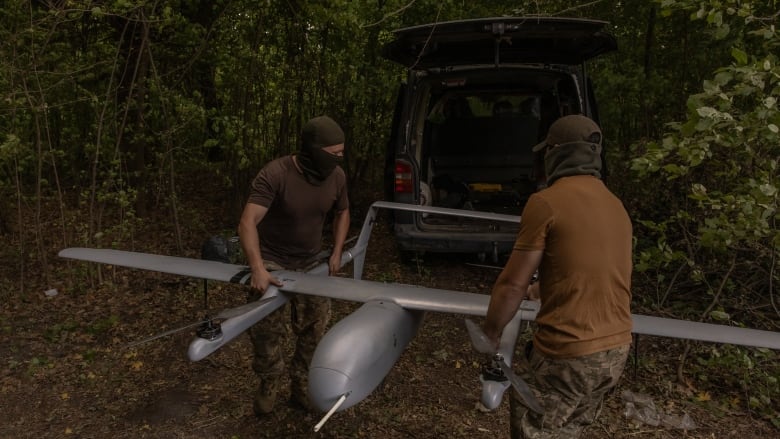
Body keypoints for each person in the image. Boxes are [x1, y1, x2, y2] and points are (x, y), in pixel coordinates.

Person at [482, 114, 633, 438]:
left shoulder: (546, 202)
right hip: (615, 352)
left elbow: (510, 286)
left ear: (555, 153)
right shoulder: (615, 205)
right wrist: (543, 289)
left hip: (569, 354)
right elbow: (596, 273)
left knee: (535, 431)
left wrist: (490, 335)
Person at [237, 115, 350, 416]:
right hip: (273, 260)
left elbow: (343, 212)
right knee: (266, 330)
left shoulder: (336, 176)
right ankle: (268, 382)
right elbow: (248, 222)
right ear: (314, 149)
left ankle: (301, 386)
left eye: (342, 152)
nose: (340, 158)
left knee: (315, 329)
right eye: (335, 152)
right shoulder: (276, 173)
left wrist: (336, 252)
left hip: (312, 263)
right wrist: (258, 267)